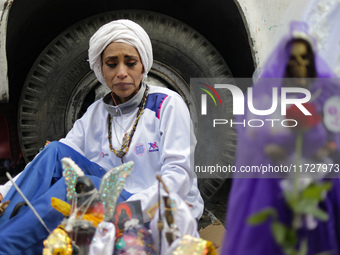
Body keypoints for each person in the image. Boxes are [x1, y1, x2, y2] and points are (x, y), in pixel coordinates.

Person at [0, 19, 203, 254]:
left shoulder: (167, 104)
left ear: (142, 66)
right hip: (110, 204)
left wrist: (129, 209)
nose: (122, 73)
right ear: (101, 69)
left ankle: (6, 246)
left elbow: (178, 177)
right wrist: (4, 191)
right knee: (56, 152)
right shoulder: (97, 112)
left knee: (84, 188)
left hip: (157, 212)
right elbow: (54, 157)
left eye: (130, 63)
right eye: (111, 64)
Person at [222, 21, 340, 254]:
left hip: (318, 188)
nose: (300, 65)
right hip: (274, 190)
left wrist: (323, 151)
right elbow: (253, 135)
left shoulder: (326, 99)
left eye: (305, 59)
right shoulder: (267, 102)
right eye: (294, 60)